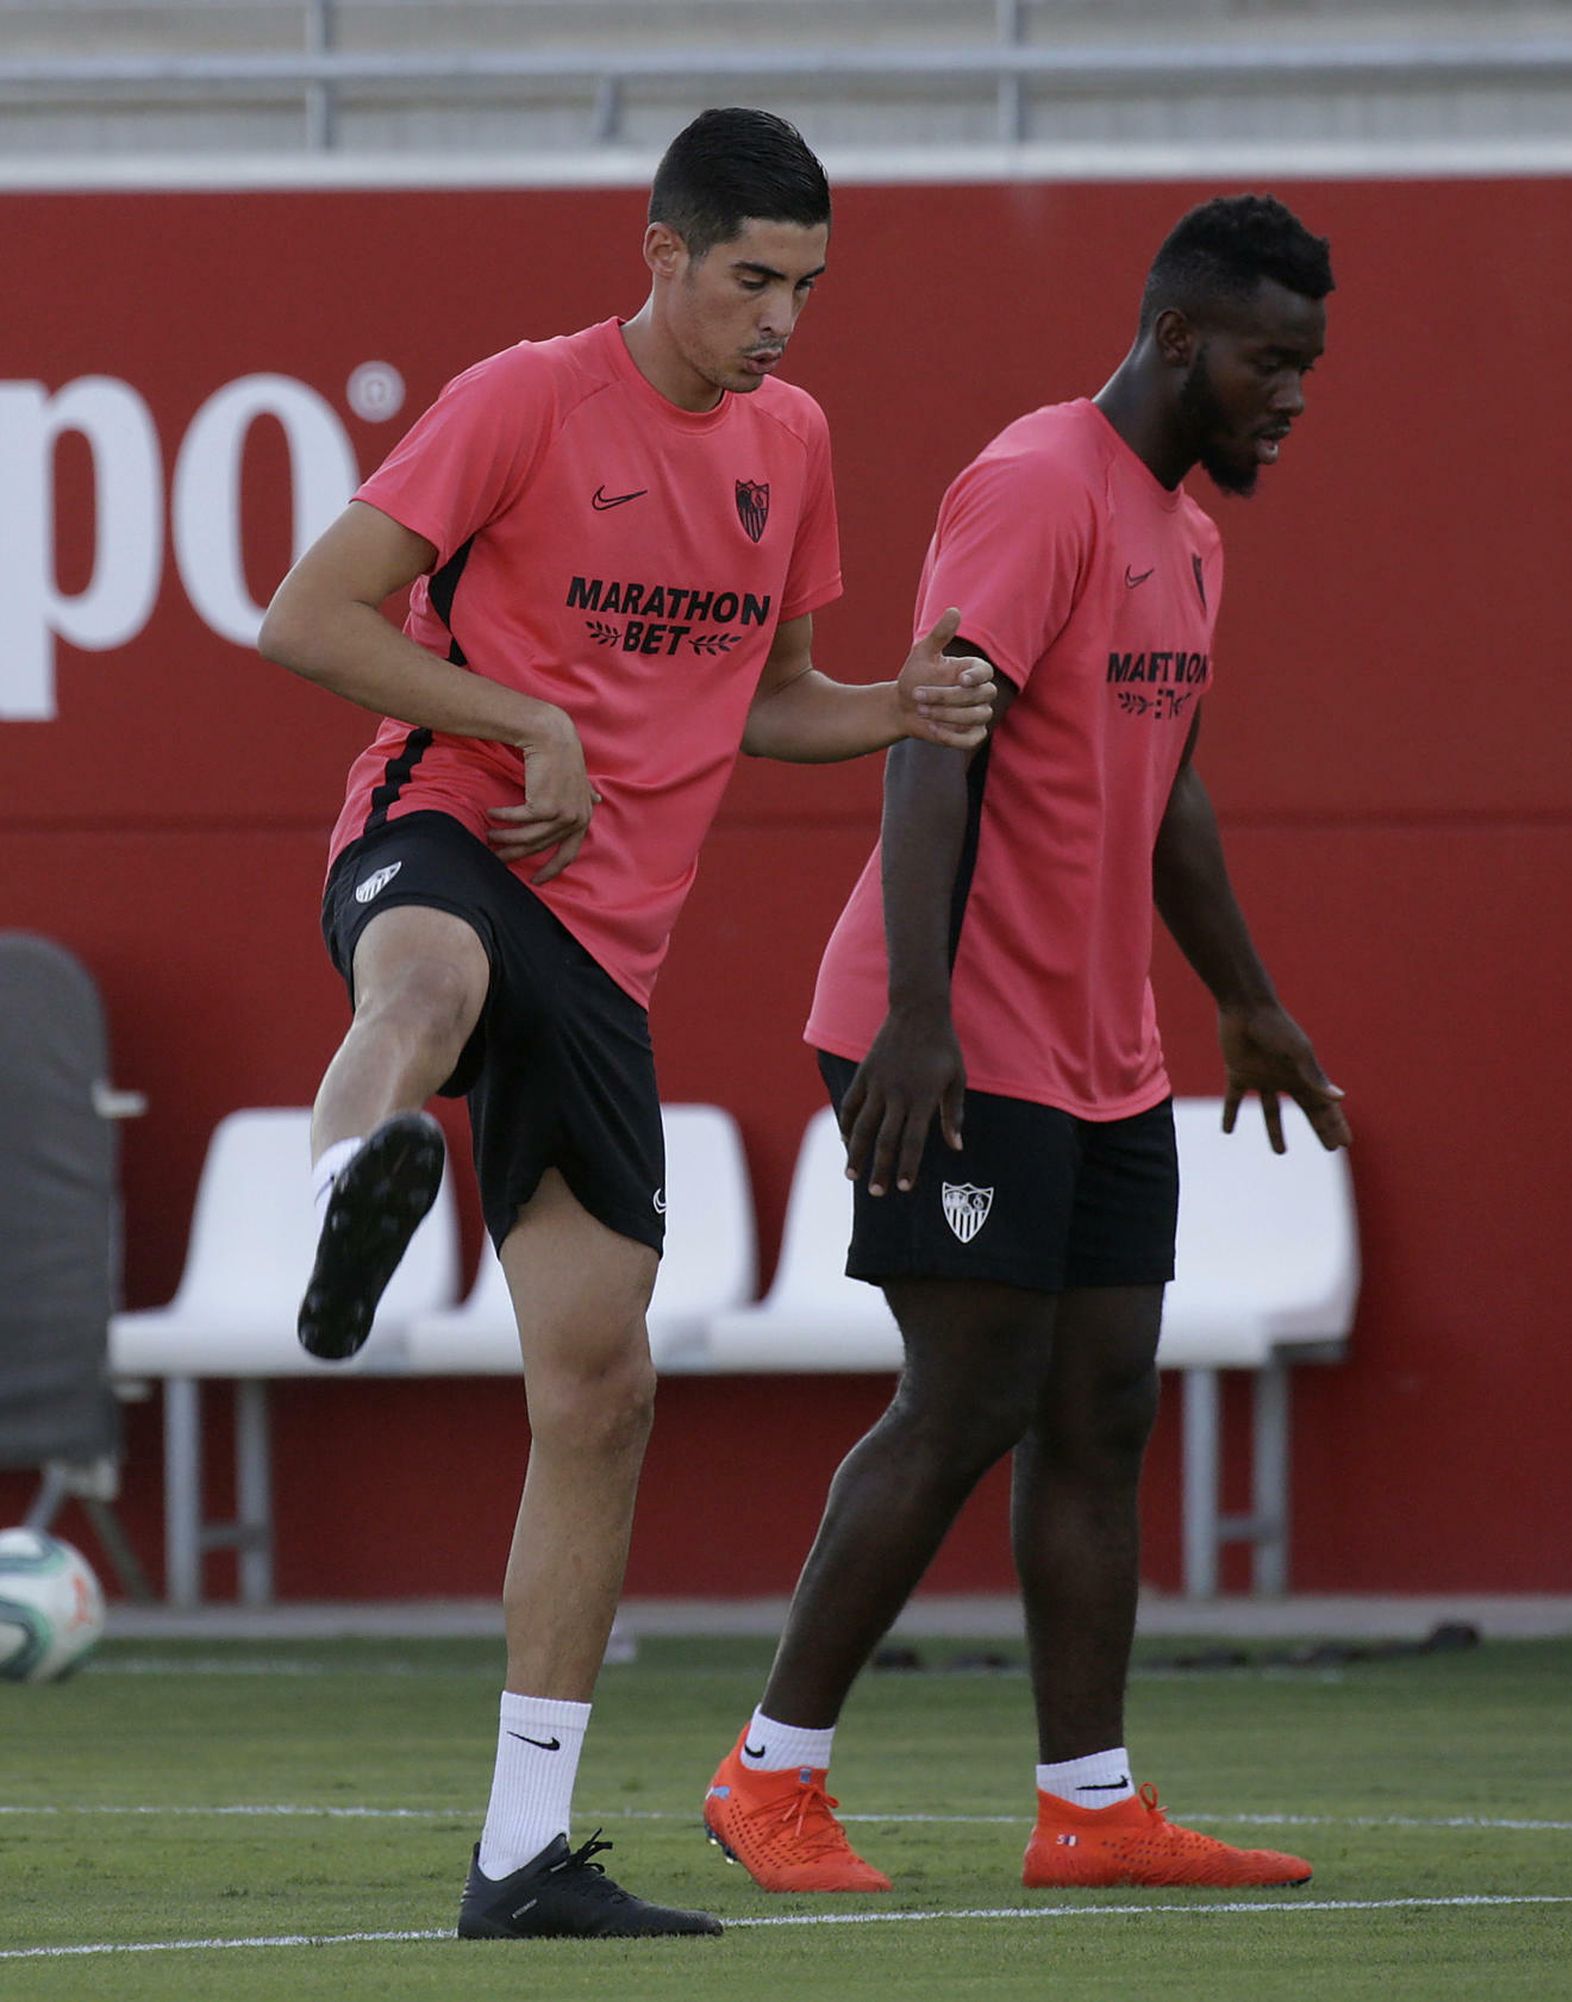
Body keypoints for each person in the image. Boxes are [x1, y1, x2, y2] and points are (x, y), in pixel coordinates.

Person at [257, 107, 993, 1942]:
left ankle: (518, 1861)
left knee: (601, 1388)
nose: (781, 322)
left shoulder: (792, 441)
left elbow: (773, 701)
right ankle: (348, 1184)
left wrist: (902, 705)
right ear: (659, 252)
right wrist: (532, 715)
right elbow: (304, 616)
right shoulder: (522, 397)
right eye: (753, 279)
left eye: (806, 289)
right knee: (424, 984)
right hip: (455, 822)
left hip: (609, 956)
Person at [704, 193, 1351, 1897]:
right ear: (1177, 341)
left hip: (1102, 1047)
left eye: (1309, 366)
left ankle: (1092, 1806)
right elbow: (933, 737)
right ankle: (770, 1776)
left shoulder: (1191, 537)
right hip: (949, 1034)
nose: (1292, 396)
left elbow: (1171, 790)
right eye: (1271, 363)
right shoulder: (1036, 484)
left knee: (1102, 1402)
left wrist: (1249, 997)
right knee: (970, 1389)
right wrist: (919, 1012)